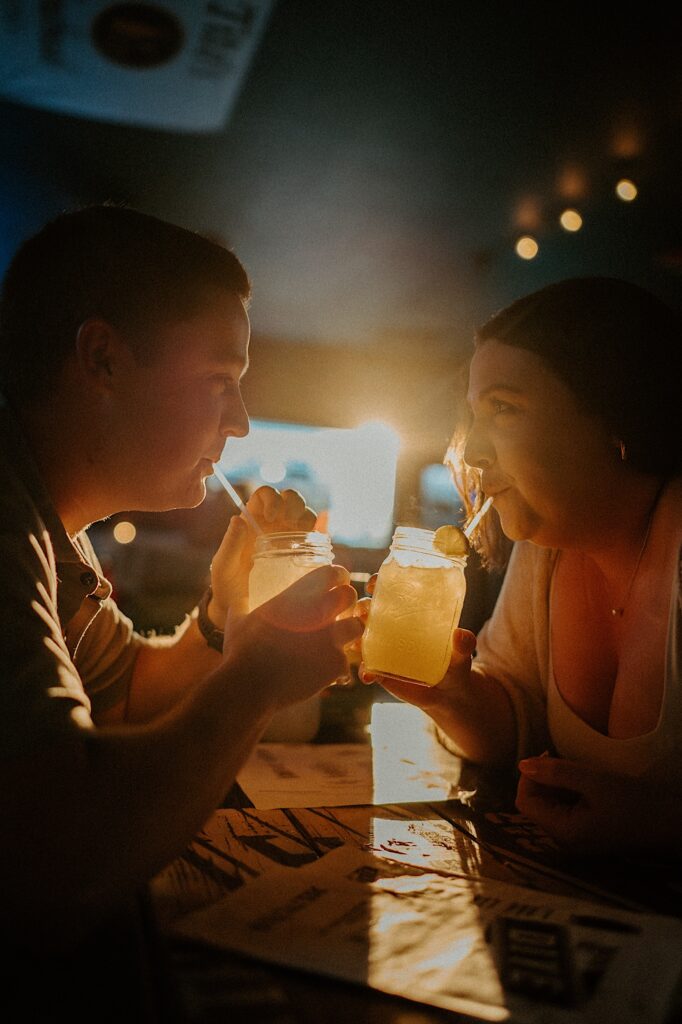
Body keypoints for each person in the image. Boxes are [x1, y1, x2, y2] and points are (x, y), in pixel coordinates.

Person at [0, 205, 361, 968]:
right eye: (219, 381)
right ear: (101, 359)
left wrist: (220, 616)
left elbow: (124, 694)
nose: (240, 423)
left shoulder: (43, 518)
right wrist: (258, 679)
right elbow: (54, 855)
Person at [360, 276, 682, 856]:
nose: (472, 450)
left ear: (617, 416)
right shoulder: (548, 541)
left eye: (504, 408)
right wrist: (448, 690)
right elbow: (518, 728)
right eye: (474, 415)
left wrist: (666, 826)